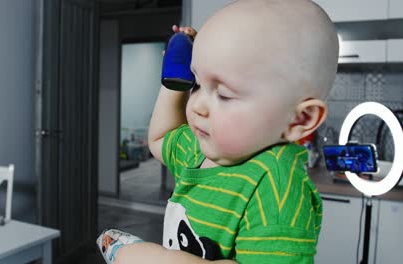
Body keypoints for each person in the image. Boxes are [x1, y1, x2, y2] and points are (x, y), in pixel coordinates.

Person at [97, 0, 339, 263]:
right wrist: (175, 78)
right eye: (198, 84)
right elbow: (159, 139)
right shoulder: (201, 150)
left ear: (299, 119)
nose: (197, 105)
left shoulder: (278, 189)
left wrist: (161, 259)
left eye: (223, 95)